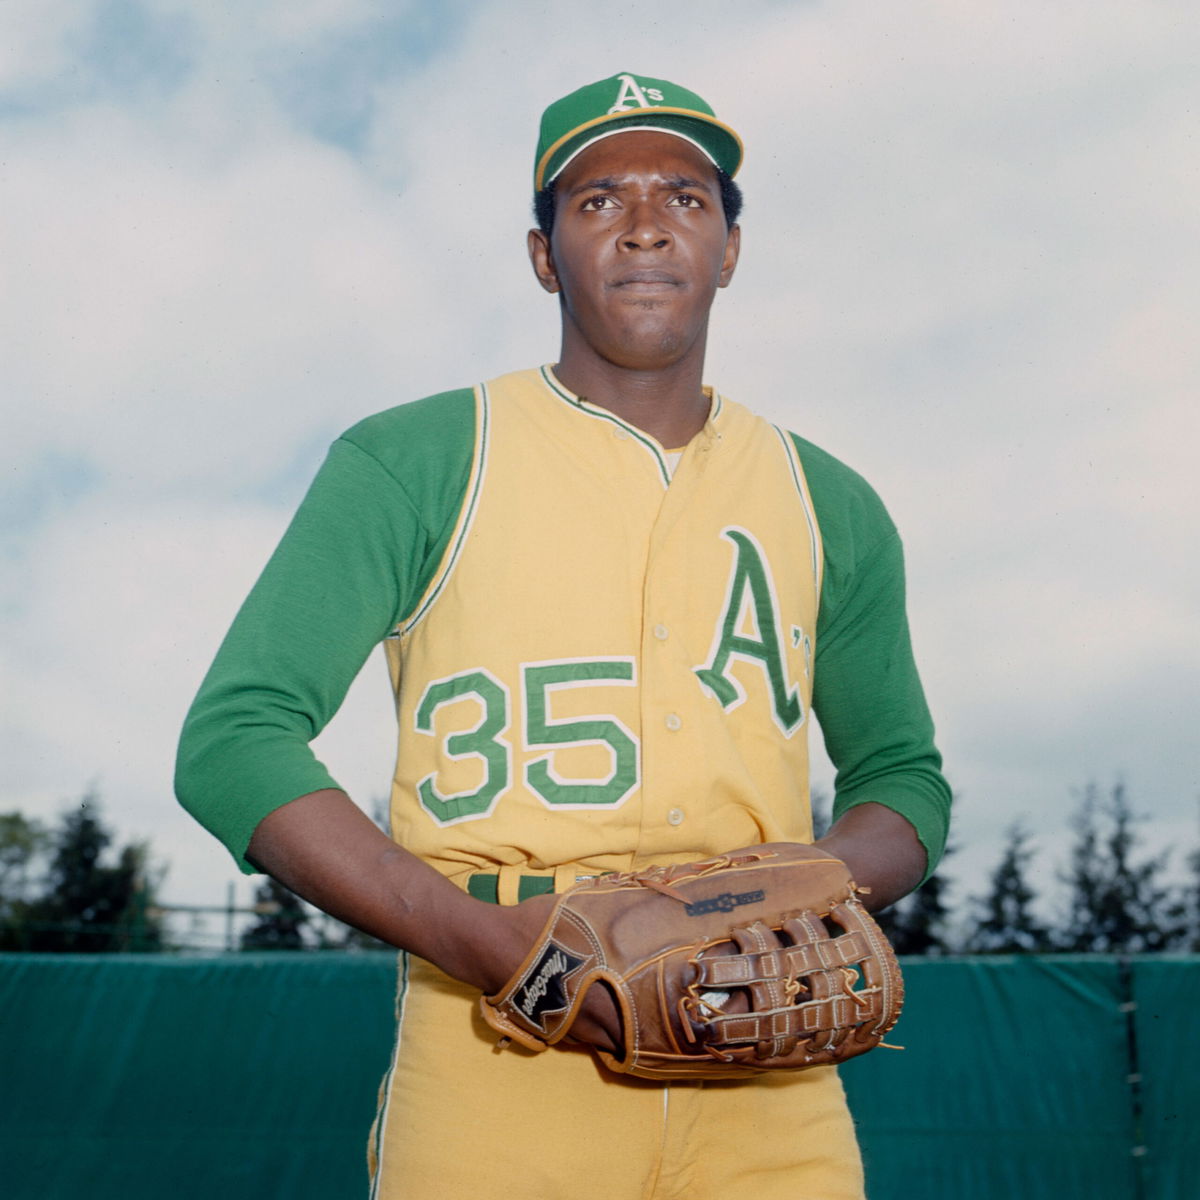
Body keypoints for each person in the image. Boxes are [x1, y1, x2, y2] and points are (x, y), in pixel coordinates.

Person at [176, 71, 951, 1200]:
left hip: (770, 1073)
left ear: (732, 246)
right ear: (544, 256)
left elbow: (904, 781)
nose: (644, 224)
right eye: (597, 201)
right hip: (500, 1058)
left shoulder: (829, 501)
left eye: (685, 197)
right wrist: (499, 950)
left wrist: (784, 899)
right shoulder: (420, 459)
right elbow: (234, 741)